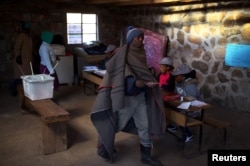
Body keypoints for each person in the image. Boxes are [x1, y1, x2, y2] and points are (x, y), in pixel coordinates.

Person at [90, 27, 166, 166]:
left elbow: (141, 72)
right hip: (127, 99)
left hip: (141, 97)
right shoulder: (123, 53)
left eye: (142, 37)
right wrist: (137, 82)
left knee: (144, 125)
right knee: (117, 124)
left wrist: (148, 81)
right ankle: (104, 147)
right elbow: (121, 72)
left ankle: (146, 157)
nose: (141, 39)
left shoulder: (141, 54)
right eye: (138, 37)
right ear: (131, 39)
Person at [171, 64, 201, 143]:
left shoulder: (191, 86)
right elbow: (176, 93)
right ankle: (174, 125)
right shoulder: (178, 83)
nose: (175, 78)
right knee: (170, 109)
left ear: (183, 76)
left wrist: (180, 101)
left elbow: (192, 100)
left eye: (177, 76)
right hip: (183, 105)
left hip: (193, 109)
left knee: (180, 114)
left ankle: (188, 134)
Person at [9, 21, 33, 96]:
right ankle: (12, 88)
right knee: (20, 77)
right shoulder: (21, 36)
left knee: (24, 76)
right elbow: (17, 47)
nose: (28, 29)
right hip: (22, 60)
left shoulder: (28, 36)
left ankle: (18, 90)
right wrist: (18, 56)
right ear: (23, 28)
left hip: (26, 59)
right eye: (26, 28)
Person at [157, 57, 176, 132]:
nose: (160, 68)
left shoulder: (171, 76)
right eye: (160, 66)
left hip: (169, 97)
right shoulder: (159, 75)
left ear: (168, 68)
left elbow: (170, 87)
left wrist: (161, 86)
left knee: (166, 111)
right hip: (161, 96)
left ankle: (168, 125)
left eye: (162, 67)